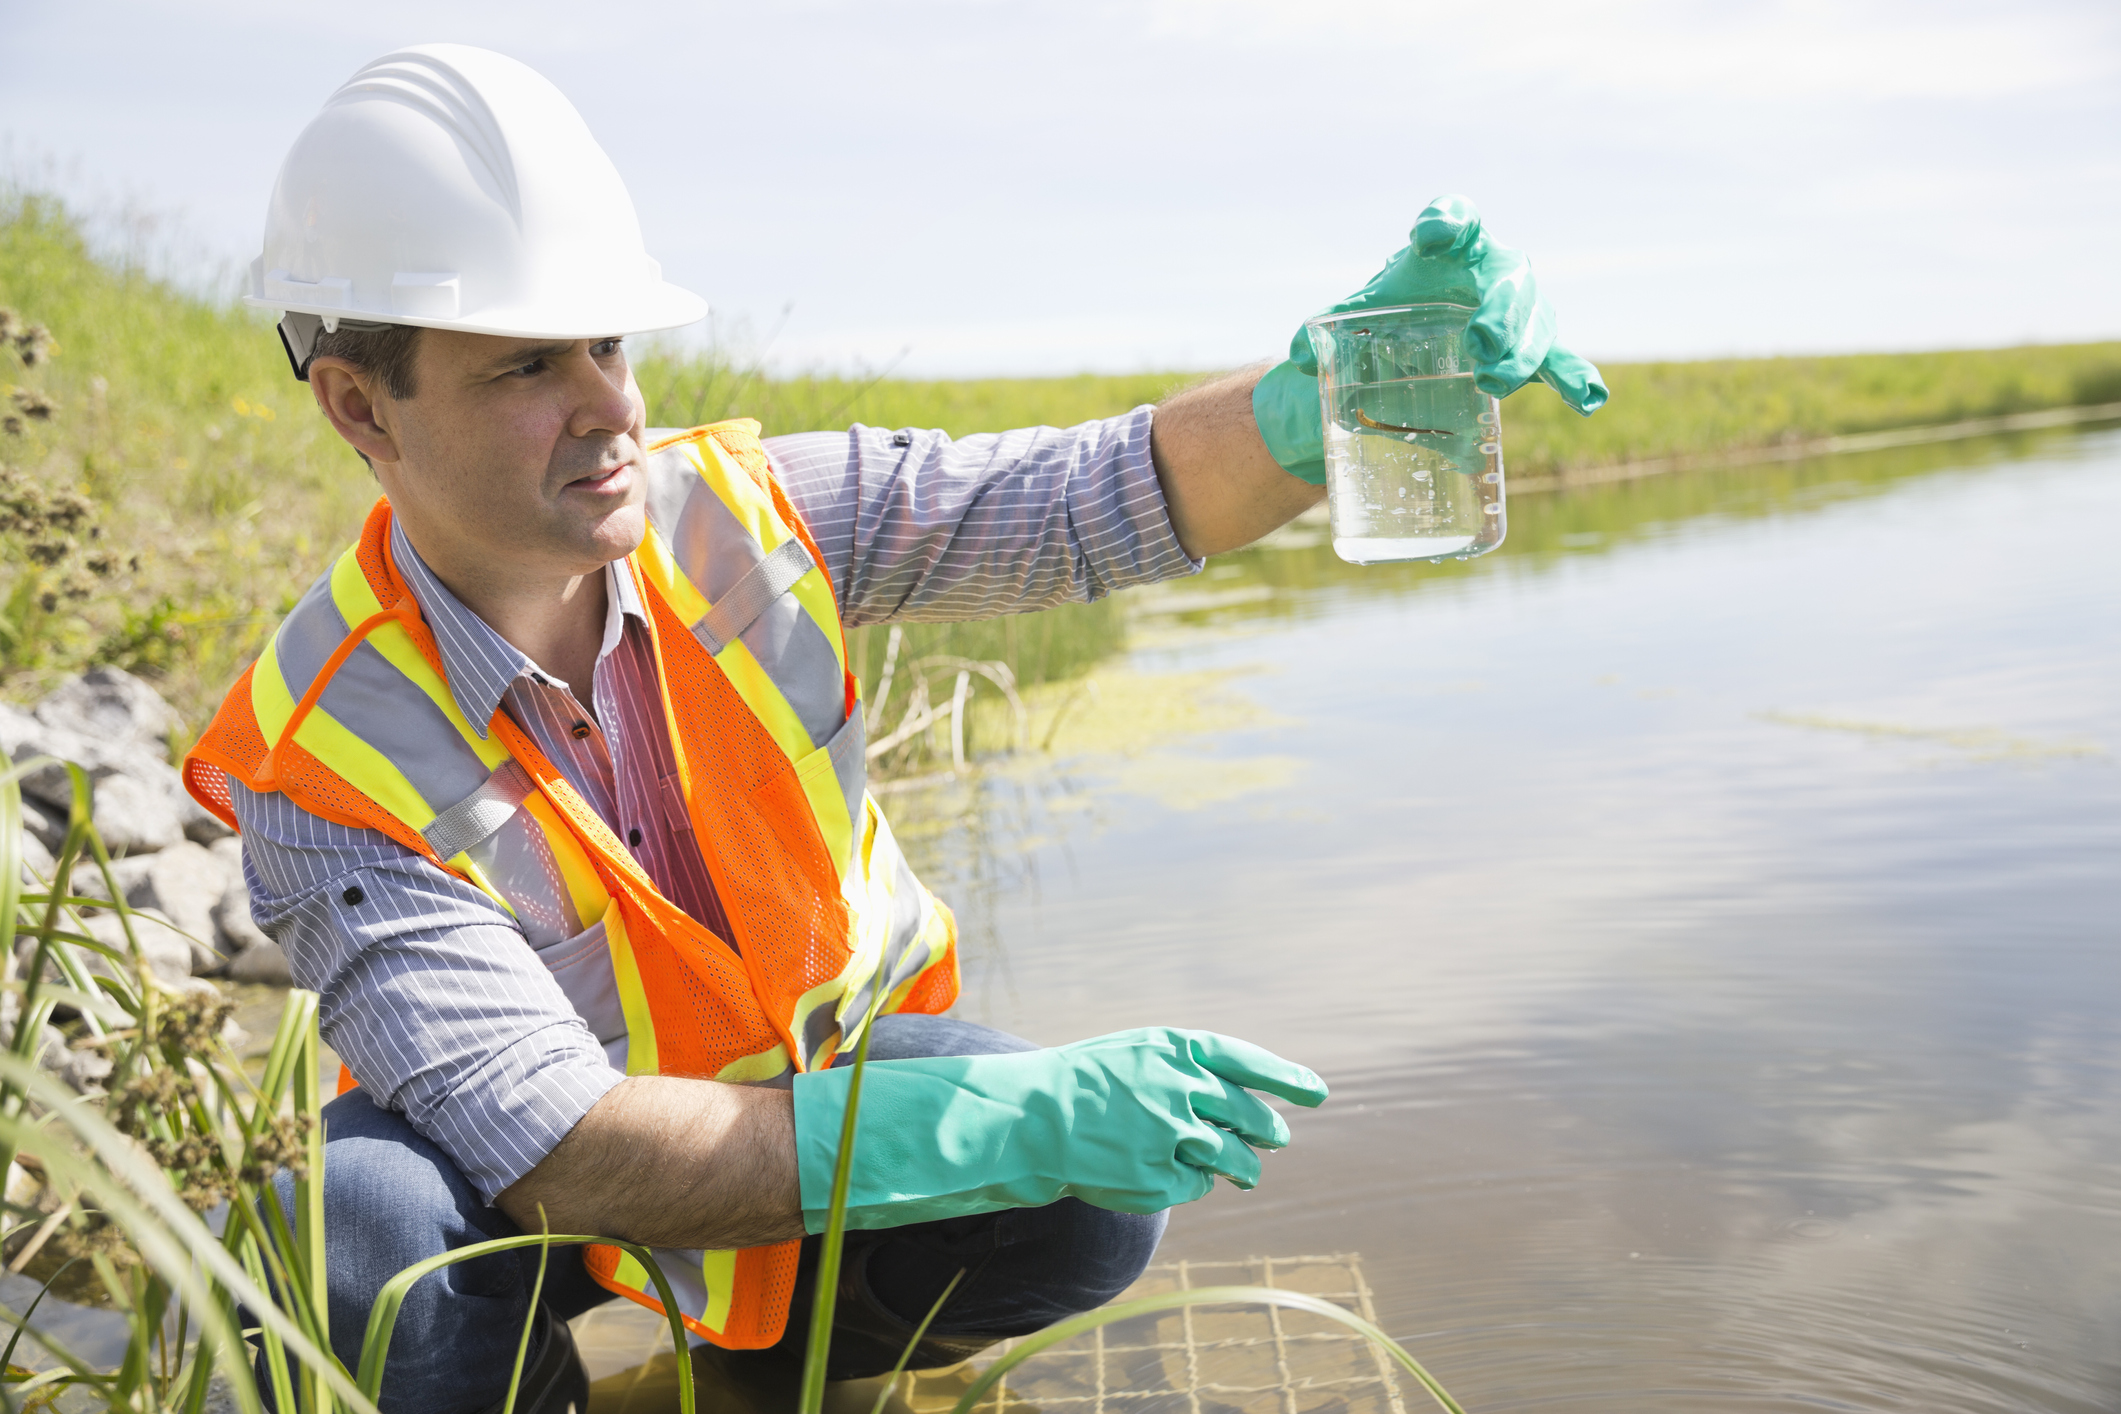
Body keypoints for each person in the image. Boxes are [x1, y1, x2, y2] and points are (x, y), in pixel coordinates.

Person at [182, 43, 1604, 1414]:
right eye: (525, 368)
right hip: (525, 1185)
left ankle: (782, 1366)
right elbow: (555, 1143)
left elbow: (1076, 501)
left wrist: (1326, 401)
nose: (608, 405)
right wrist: (994, 1119)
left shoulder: (749, 518)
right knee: (360, 1237)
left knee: (1079, 1208)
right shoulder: (319, 751)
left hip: (803, 1095)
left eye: (608, 344)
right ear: (361, 402)